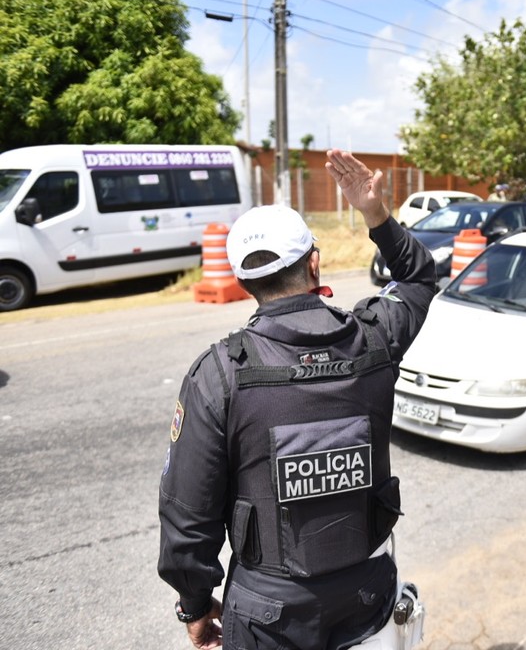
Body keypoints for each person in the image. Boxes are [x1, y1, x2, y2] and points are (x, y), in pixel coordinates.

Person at [158, 149, 436, 650]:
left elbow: (188, 513)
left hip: (268, 614)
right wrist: (375, 214)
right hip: (367, 596)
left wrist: (195, 606)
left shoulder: (219, 374)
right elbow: (417, 278)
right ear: (315, 262)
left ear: (242, 282)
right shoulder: (375, 337)